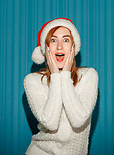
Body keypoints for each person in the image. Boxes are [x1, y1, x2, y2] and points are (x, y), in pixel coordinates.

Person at [24, 18, 98, 155]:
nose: (59, 46)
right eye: (53, 40)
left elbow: (78, 120)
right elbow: (51, 123)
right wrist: (55, 76)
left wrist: (65, 74)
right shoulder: (32, 81)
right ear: (45, 48)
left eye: (65, 40)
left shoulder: (88, 75)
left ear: (73, 47)